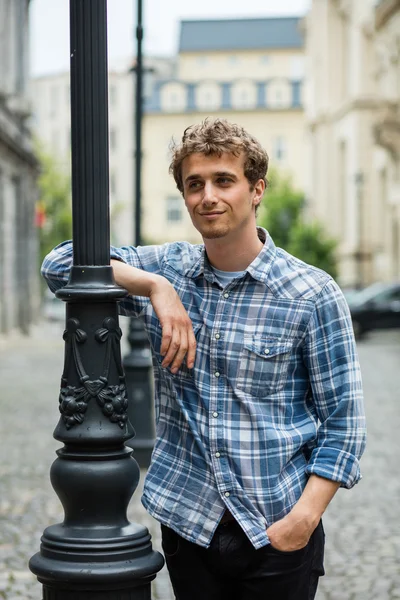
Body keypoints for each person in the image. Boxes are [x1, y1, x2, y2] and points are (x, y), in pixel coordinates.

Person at [42, 118, 366, 600]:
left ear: (256, 190)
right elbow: (60, 264)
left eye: (224, 181)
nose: (207, 196)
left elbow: (344, 424)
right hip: (188, 521)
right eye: (194, 184)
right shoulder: (168, 268)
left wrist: (302, 519)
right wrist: (155, 287)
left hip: (276, 523)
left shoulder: (311, 294)